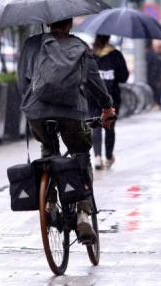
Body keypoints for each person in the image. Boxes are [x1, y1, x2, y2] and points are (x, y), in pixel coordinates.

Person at [18, 18, 116, 243]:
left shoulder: (32, 44)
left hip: (37, 111)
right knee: (81, 153)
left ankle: (50, 204)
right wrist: (107, 106)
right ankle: (83, 214)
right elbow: (93, 82)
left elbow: (22, 82)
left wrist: (30, 105)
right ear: (70, 24)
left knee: (48, 148)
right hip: (71, 112)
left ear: (48, 22)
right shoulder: (80, 46)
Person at [89, 35, 129, 170]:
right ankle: (109, 156)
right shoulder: (116, 54)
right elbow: (124, 77)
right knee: (109, 126)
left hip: (93, 96)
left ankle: (97, 157)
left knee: (96, 125)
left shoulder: (90, 54)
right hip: (112, 97)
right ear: (109, 38)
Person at [146, 39, 161, 108]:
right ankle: (159, 105)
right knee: (158, 92)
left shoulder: (147, 55)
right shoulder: (156, 55)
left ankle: (158, 105)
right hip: (156, 77)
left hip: (151, 77)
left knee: (154, 92)